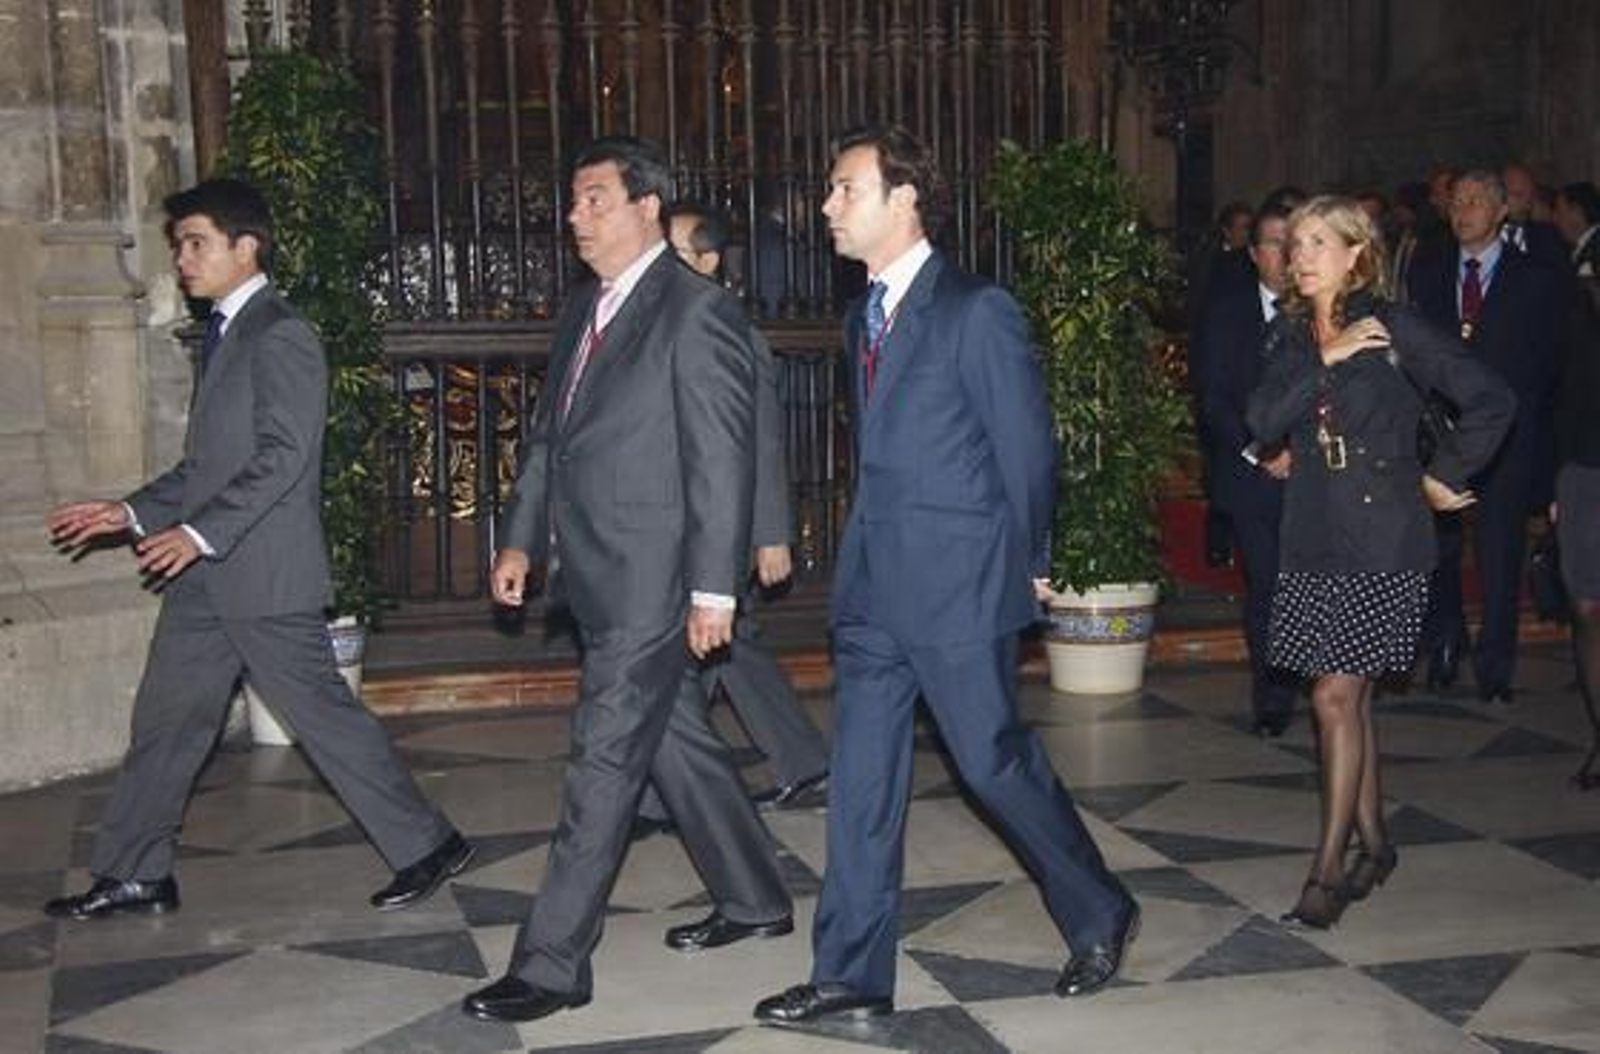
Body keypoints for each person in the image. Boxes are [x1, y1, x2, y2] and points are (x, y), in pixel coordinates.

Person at [753, 126, 1137, 1026]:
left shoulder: (975, 309)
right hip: (873, 584)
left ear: (905, 197)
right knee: (862, 781)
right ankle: (850, 970)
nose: (827, 207)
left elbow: (1026, 451)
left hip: (960, 583)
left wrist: (1034, 560)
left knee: (993, 764)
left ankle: (1099, 905)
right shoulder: (861, 317)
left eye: (845, 188)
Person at [43, 178, 471, 922]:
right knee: (167, 718)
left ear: (248, 247)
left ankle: (429, 844)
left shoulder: (281, 333)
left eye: (197, 243)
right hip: (205, 576)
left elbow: (283, 457)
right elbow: (204, 469)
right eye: (177, 246)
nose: (182, 259)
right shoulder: (226, 336)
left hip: (263, 574)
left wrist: (200, 532)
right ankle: (136, 871)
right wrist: (131, 511)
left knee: (325, 720)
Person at [463, 137, 793, 1025]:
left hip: (655, 580)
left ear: (649, 205)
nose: (576, 216)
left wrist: (714, 590)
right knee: (674, 738)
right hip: (594, 572)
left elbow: (721, 458)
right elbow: (548, 438)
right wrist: (523, 541)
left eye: (595, 198)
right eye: (574, 202)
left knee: (602, 763)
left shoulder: (696, 312)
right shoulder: (585, 309)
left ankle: (554, 962)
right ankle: (757, 894)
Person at [1247, 196, 1514, 929]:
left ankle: (1327, 869)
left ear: (1356, 252)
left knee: (1334, 697)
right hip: (1312, 536)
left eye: (1317, 243)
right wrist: (1325, 360)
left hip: (1384, 540)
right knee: (1346, 699)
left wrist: (1445, 473)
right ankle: (1378, 842)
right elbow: (1261, 421)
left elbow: (1492, 398)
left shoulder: (1396, 328)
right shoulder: (1293, 338)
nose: (1300, 257)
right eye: (1294, 244)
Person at [653, 202, 830, 808]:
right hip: (683, 521)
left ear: (707, 260)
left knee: (699, 648)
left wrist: (771, 531)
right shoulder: (664, 323)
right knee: (730, 647)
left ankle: (652, 789)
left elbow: (760, 438)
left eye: (673, 254)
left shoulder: (730, 329)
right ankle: (801, 762)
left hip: (722, 529)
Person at [1411, 170, 1565, 701]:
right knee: (1440, 550)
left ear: (1502, 212)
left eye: (1476, 202)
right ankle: (1446, 642)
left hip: (1508, 438)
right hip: (1441, 437)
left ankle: (1496, 666)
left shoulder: (1535, 278)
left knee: (1500, 555)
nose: (1463, 211)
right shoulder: (1428, 273)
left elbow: (1548, 366)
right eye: (1456, 202)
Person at [1197, 205, 1298, 736]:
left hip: (1318, 477)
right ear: (1255, 254)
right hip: (1253, 472)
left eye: (1294, 241)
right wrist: (1262, 449)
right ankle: (1274, 695)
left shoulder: (1324, 310)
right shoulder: (1228, 311)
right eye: (1275, 243)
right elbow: (1214, 399)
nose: (1286, 254)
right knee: (1268, 584)